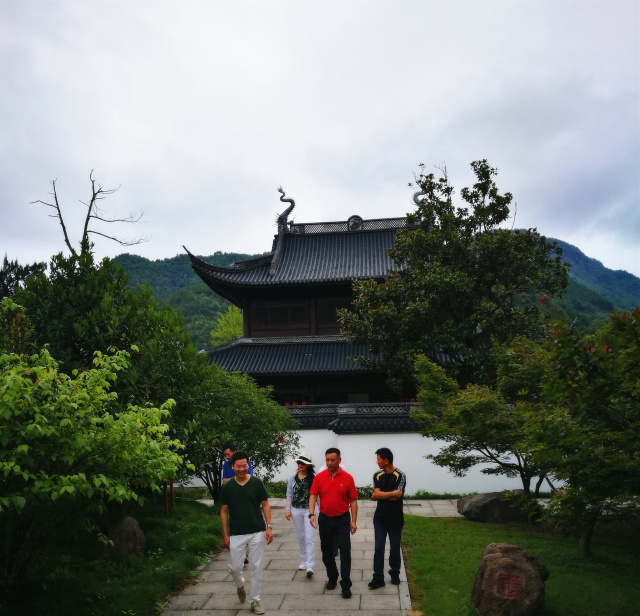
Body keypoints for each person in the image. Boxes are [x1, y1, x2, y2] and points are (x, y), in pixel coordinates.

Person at [219, 451, 273, 615]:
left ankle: (255, 600)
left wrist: (269, 526)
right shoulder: (227, 487)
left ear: (248, 465)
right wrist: (225, 535)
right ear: (232, 466)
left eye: (245, 465)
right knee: (235, 567)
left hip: (257, 530)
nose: (242, 469)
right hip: (237, 532)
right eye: (238, 466)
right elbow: (223, 511)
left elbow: (265, 504)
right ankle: (240, 585)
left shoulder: (257, 483)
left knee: (256, 566)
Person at [308, 447, 358, 599]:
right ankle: (332, 576)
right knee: (326, 553)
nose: (329, 463)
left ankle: (346, 584)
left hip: (342, 519)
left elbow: (354, 500)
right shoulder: (319, 477)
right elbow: (312, 495)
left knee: (345, 552)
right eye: (327, 460)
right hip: (324, 519)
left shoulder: (348, 478)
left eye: (332, 460)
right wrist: (311, 514)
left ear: (339, 460)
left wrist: (353, 520)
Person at [368, 447, 406, 589]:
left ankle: (394, 572)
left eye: (378, 459)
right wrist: (390, 494)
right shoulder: (377, 475)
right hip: (380, 518)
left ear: (386, 460)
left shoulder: (400, 475)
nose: (376, 462)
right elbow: (381, 493)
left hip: (396, 518)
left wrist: (380, 495)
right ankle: (378, 577)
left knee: (395, 547)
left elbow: (398, 495)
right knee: (378, 547)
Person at [285, 452, 318, 577]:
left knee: (309, 537)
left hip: (310, 511)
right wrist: (287, 510)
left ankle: (310, 564)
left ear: (308, 465)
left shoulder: (314, 477)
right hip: (296, 509)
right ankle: (303, 559)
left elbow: (317, 495)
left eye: (302, 463)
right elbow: (289, 494)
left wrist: (317, 510)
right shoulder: (293, 477)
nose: (300, 465)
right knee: (300, 536)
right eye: (298, 462)